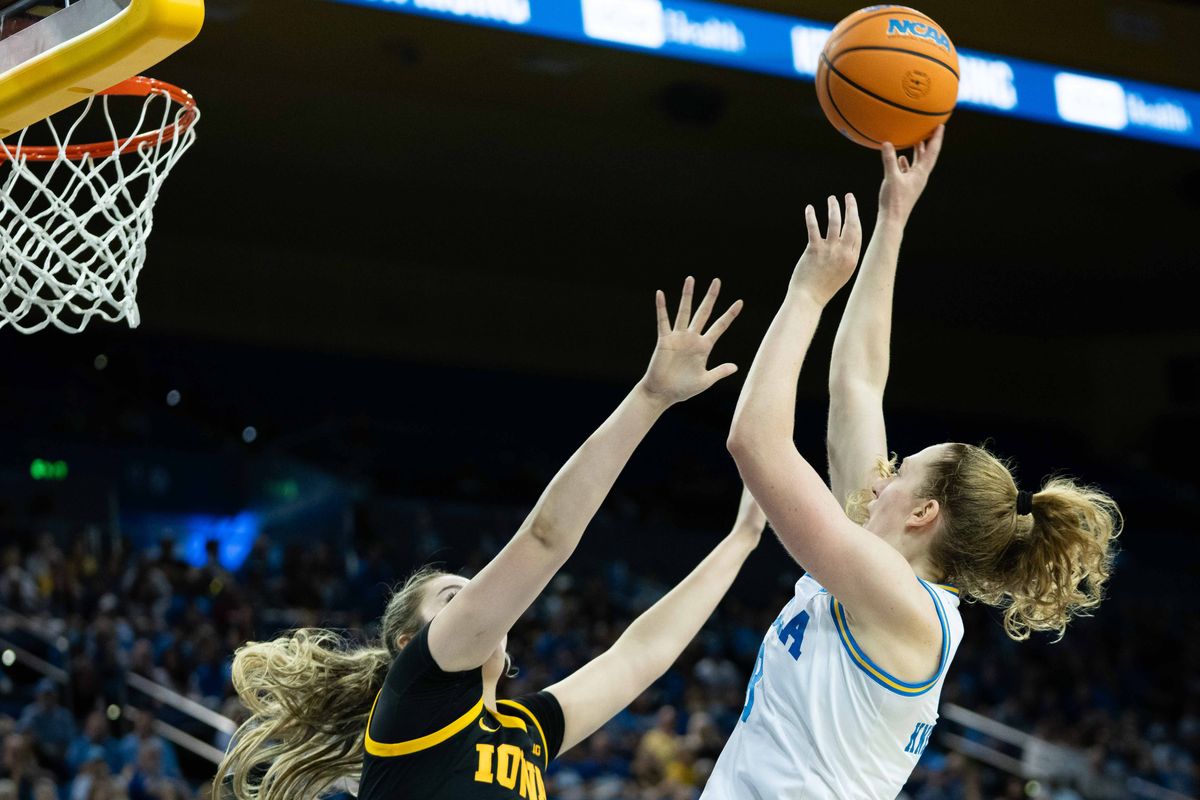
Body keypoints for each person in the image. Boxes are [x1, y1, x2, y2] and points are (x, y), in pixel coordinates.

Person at [218, 279, 767, 800]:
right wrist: (649, 396)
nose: (482, 597)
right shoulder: (419, 697)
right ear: (411, 645)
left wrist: (740, 541)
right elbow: (545, 539)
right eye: (454, 598)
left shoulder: (525, 728)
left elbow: (640, 655)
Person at [708, 127, 1122, 798]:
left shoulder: (903, 601)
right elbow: (859, 384)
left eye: (900, 470)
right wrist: (892, 216)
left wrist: (808, 295)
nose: (882, 474)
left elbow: (754, 440)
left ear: (926, 511)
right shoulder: (883, 576)